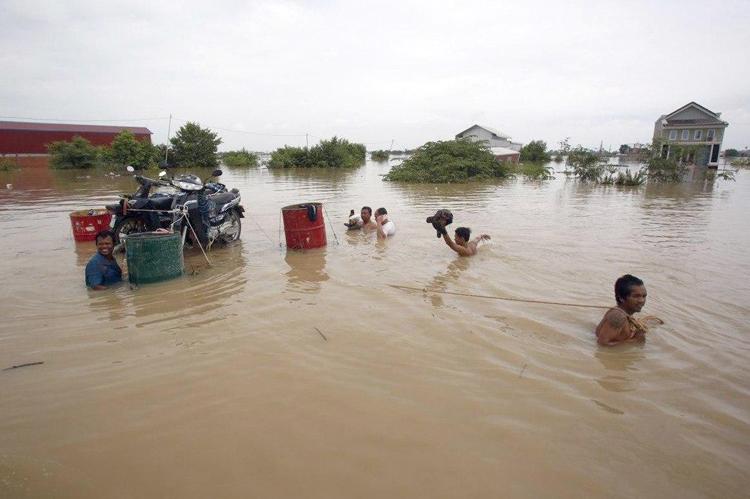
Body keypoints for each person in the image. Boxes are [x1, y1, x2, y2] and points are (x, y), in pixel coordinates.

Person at [595, 274, 649, 346]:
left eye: (644, 296)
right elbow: (602, 344)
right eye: (636, 296)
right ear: (621, 298)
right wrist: (635, 340)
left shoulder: (626, 314)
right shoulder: (618, 316)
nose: (642, 300)